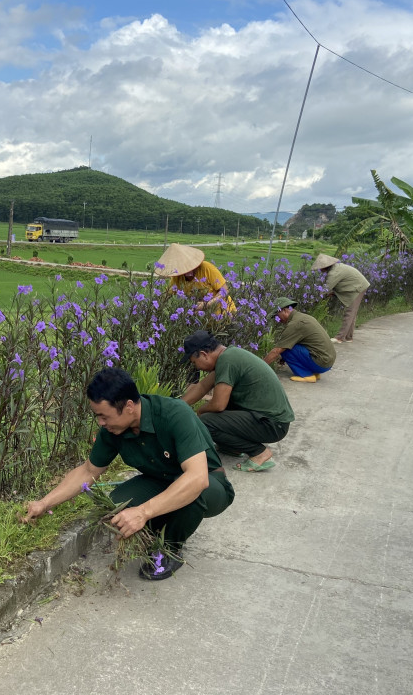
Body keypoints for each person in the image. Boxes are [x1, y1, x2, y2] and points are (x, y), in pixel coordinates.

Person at [21, 367, 234, 581]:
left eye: (104, 416)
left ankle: (170, 547)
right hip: (159, 480)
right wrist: (44, 503)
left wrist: (143, 512)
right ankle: (159, 526)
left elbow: (197, 478)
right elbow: (88, 471)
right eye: (97, 417)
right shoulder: (113, 430)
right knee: (115, 506)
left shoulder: (174, 413)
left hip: (211, 483)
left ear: (129, 406)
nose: (101, 423)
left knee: (190, 493)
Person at [181, 331, 294, 472]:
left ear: (204, 354)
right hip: (268, 419)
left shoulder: (227, 361)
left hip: (273, 424)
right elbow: (202, 386)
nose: (196, 367)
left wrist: (199, 411)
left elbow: (218, 405)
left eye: (194, 362)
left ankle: (259, 453)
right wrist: (177, 405)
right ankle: (232, 447)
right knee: (216, 412)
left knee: (205, 421)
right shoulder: (229, 356)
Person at [263, 297, 336, 383]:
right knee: (288, 346)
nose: (277, 320)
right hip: (327, 361)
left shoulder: (295, 324)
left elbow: (277, 351)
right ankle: (314, 372)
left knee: (285, 350)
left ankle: (307, 375)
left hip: (321, 363)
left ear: (284, 310)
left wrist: (259, 366)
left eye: (276, 315)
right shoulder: (303, 317)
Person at [154, 243, 236, 315]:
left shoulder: (207, 268)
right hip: (202, 320)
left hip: (224, 314)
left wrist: (207, 304)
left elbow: (225, 290)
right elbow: (168, 294)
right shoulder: (177, 277)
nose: (187, 270)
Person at [311, 254, 370, 343]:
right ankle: (348, 337)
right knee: (352, 313)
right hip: (356, 286)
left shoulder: (333, 273)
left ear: (325, 266)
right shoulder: (335, 268)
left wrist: (313, 300)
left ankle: (340, 337)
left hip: (358, 287)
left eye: (320, 267)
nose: (319, 269)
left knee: (349, 313)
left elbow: (326, 289)